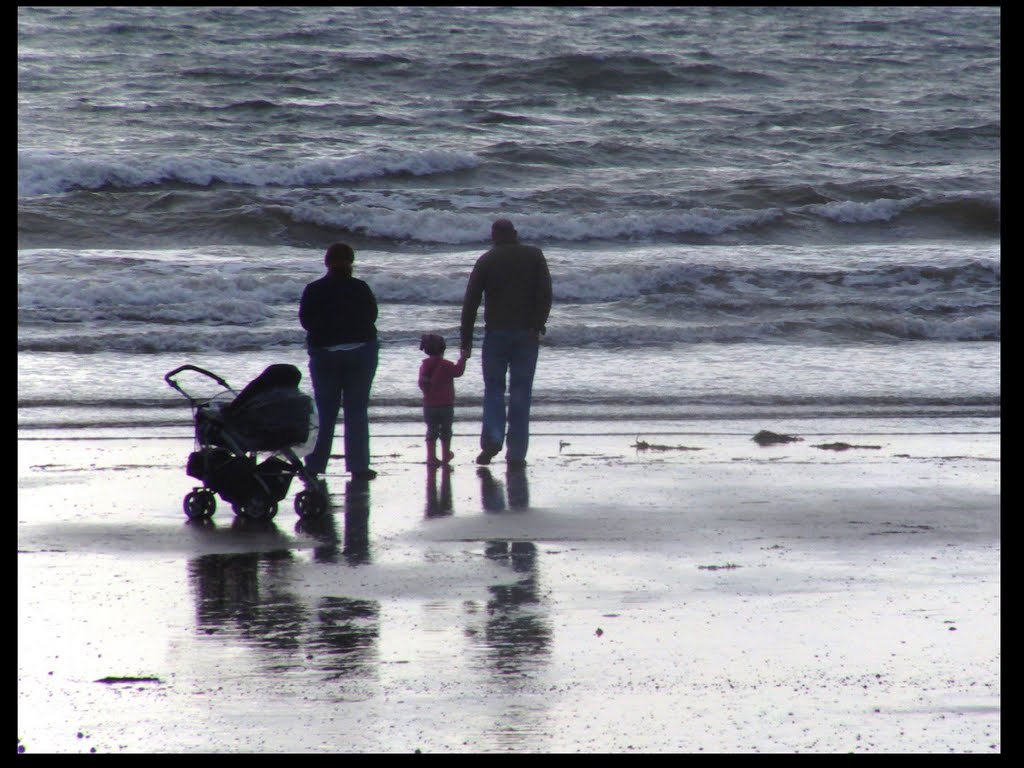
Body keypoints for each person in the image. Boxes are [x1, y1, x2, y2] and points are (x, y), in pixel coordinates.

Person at [460, 218, 552, 466]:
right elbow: (545, 293)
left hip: (496, 334)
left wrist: (465, 341)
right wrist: (538, 323)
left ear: (494, 237)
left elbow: (471, 303)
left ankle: (493, 439)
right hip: (527, 333)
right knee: (521, 392)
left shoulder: (487, 260)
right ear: (515, 234)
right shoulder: (534, 256)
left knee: (494, 389)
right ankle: (517, 453)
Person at [298, 242, 379, 482]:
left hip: (325, 353)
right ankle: (359, 466)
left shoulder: (313, 289)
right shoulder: (360, 287)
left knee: (325, 412)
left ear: (326, 262)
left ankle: (315, 464)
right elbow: (372, 316)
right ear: (351, 262)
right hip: (360, 351)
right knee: (356, 410)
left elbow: (306, 321)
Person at [418, 333, 466, 467]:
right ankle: (445, 455)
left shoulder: (424, 366)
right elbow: (458, 372)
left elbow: (421, 383)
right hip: (446, 404)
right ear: (443, 349)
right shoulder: (446, 365)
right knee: (446, 430)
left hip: (429, 405)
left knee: (431, 430)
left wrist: (428, 392)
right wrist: (463, 359)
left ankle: (431, 457)